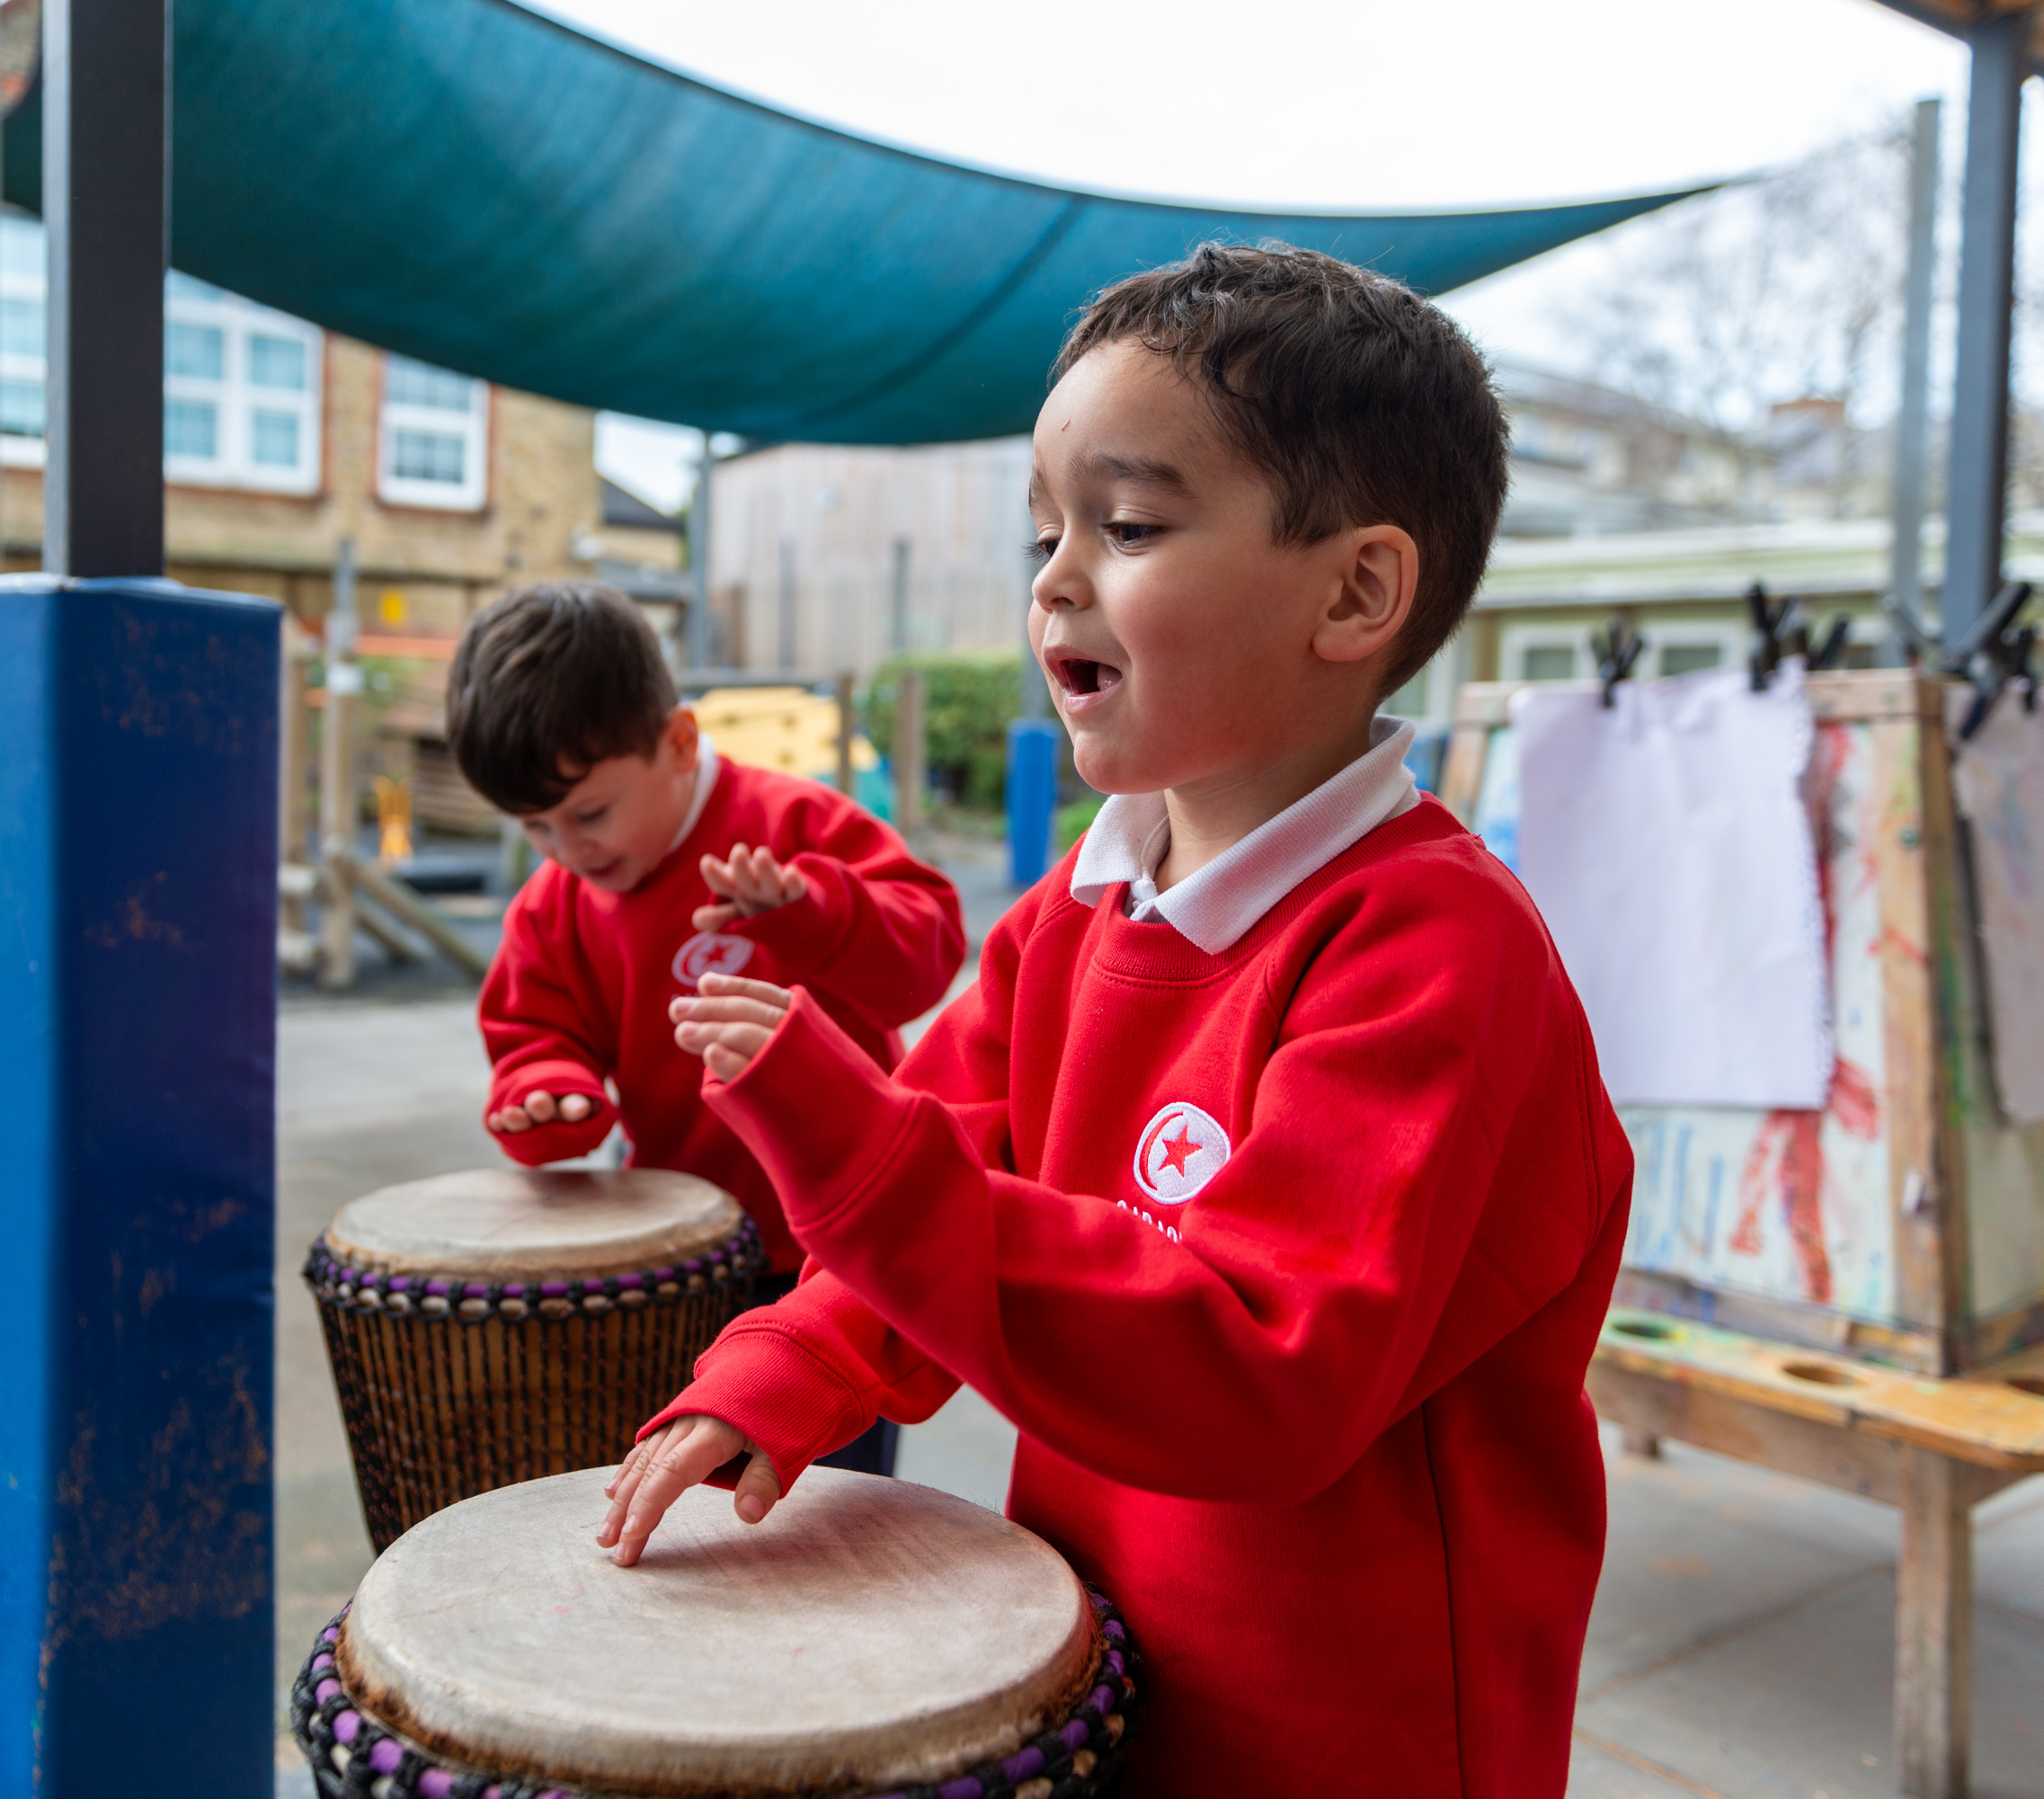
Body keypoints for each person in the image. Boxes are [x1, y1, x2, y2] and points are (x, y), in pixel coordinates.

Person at [600, 245, 1634, 1796]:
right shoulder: (1071, 920)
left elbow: (1265, 1367)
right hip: (1115, 1649)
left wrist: (858, 1149)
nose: (1056, 578)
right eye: (1048, 529)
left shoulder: (1433, 945)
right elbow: (930, 1206)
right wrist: (783, 1371)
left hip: (1365, 1724)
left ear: (1355, 589)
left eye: (1131, 525)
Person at [448, 582, 967, 1474]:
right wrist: (549, 1091)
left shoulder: (795, 823)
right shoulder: (557, 904)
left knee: (830, 1524)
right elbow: (535, 1027)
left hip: (833, 1255)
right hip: (677, 1254)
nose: (568, 850)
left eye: (590, 813)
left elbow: (928, 953)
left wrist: (812, 912)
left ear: (679, 743)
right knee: (685, 1515)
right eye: (536, 827)